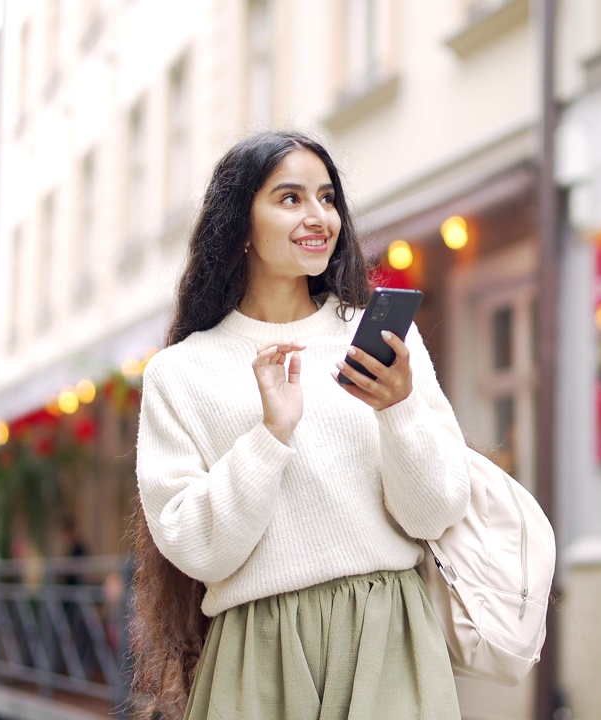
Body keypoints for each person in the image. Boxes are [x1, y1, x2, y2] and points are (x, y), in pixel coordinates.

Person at [130, 130, 471, 719]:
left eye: (327, 198)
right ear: (240, 224)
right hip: (259, 653)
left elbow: (435, 511)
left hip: (389, 635)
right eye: (290, 199)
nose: (319, 217)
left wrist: (398, 408)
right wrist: (269, 438)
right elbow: (197, 549)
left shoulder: (380, 339)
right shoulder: (182, 372)